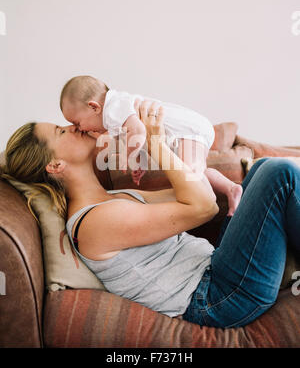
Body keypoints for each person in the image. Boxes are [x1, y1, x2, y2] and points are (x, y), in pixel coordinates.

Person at [1, 103, 300, 328]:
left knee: (262, 169)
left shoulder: (117, 199)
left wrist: (151, 133)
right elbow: (204, 206)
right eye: (60, 131)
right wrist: (155, 143)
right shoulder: (93, 223)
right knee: (279, 173)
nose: (74, 127)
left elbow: (196, 188)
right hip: (218, 298)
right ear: (54, 165)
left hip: (218, 269)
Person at [60, 75, 243, 216]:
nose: (80, 129)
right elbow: (139, 137)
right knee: (195, 175)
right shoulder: (113, 115)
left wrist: (127, 156)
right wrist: (140, 162)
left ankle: (220, 195)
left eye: (77, 123)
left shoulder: (113, 108)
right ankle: (230, 188)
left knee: (191, 177)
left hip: (188, 129)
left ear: (94, 107)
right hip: (184, 133)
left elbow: (138, 132)